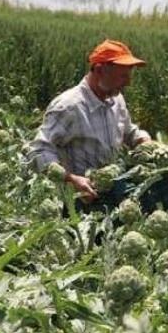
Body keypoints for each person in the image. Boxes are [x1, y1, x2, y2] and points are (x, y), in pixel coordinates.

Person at [26, 39, 151, 212]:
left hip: (110, 199)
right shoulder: (69, 107)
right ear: (99, 70)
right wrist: (71, 180)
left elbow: (129, 131)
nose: (128, 82)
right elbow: (38, 151)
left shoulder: (116, 99)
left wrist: (145, 142)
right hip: (75, 206)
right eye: (123, 76)